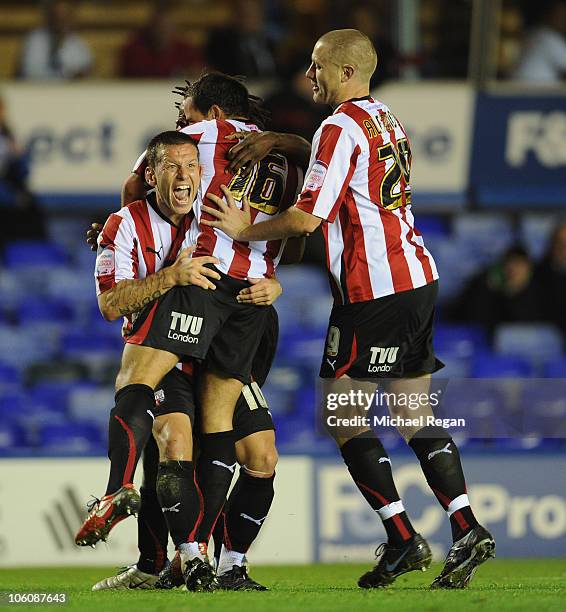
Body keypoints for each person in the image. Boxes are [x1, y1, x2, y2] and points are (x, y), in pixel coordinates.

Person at [202, 29, 495, 590]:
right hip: (417, 278)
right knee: (413, 417)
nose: (308, 75)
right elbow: (339, 164)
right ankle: (466, 528)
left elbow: (308, 219)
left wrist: (245, 230)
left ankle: (405, 538)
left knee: (342, 416)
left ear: (341, 71)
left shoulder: (338, 126)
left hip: (373, 291)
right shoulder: (383, 118)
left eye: (315, 66)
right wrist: (280, 143)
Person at [77, 74, 305, 590]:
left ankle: (223, 563)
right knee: (177, 439)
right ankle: (181, 556)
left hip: (229, 301)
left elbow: (136, 183)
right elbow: (304, 220)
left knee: (260, 452)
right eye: (175, 166)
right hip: (224, 312)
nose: (185, 144)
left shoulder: (198, 150)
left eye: (188, 121)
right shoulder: (281, 160)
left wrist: (271, 280)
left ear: (210, 116)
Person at [119, 2, 202, 79]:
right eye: (159, 27)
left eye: (167, 27)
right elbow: (125, 82)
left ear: (174, 27)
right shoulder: (134, 51)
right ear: (151, 26)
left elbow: (198, 73)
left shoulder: (186, 50)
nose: (162, 32)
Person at [17, 0, 92, 80]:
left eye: (67, 17)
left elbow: (86, 71)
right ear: (49, 17)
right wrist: (66, 77)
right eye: (58, 17)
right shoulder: (35, 40)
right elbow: (31, 74)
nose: (62, 22)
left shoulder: (78, 45)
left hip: (70, 92)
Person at [511, 0, 566, 83]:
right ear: (549, 16)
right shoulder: (547, 36)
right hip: (532, 90)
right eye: (560, 17)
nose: (563, 21)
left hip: (517, 85)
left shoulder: (534, 32)